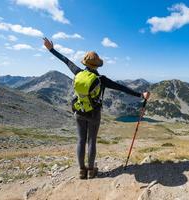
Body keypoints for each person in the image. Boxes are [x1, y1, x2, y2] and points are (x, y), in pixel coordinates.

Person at [43, 37, 150, 179]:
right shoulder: (101, 80)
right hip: (94, 114)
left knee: (81, 140)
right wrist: (140, 95)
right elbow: (121, 88)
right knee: (91, 140)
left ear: (85, 64)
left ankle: (82, 171)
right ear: (97, 65)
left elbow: (66, 60)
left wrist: (51, 49)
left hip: (79, 111)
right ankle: (91, 171)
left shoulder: (78, 72)